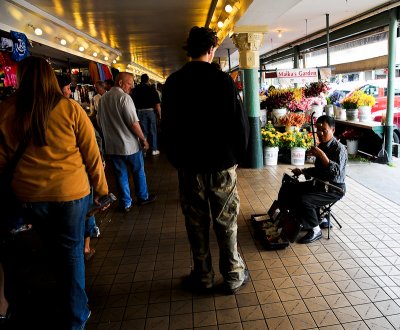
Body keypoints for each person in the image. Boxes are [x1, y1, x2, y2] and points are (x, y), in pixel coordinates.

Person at [0, 56, 108, 329]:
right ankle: (75, 316)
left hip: (29, 197)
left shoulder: (6, 110)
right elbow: (92, 155)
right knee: (71, 252)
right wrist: (103, 190)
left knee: (50, 249)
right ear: (50, 77)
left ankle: (53, 303)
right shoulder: (70, 109)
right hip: (71, 194)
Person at [161, 26, 250, 294]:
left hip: (190, 167)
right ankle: (233, 275)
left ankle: (203, 276)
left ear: (189, 49)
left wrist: (177, 159)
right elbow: (240, 124)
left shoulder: (174, 83)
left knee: (196, 222)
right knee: (226, 221)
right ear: (211, 49)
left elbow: (167, 127)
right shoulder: (223, 81)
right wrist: (237, 157)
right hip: (222, 164)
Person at [278, 115, 347, 244]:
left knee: (305, 200)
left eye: (324, 130)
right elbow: (318, 171)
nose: (320, 134)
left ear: (333, 130)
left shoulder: (339, 149)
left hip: (334, 189)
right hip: (320, 184)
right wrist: (302, 171)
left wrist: (321, 155)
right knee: (292, 188)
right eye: (318, 130)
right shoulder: (322, 146)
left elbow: (335, 173)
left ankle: (316, 230)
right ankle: (298, 219)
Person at [97, 72, 156, 212]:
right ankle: (142, 197)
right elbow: (133, 123)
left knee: (120, 175)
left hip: (112, 146)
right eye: (130, 84)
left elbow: (99, 123)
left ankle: (126, 203)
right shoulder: (124, 98)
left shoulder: (103, 99)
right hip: (130, 146)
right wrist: (144, 139)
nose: (131, 87)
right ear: (121, 83)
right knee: (138, 171)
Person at [130, 74, 161, 156]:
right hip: (151, 112)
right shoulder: (152, 89)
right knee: (153, 131)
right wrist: (160, 115)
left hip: (139, 112)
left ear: (141, 80)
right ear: (148, 80)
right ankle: (154, 149)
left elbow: (132, 103)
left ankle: (144, 150)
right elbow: (157, 104)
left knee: (143, 131)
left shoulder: (135, 90)